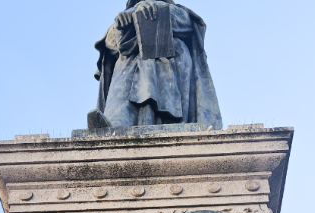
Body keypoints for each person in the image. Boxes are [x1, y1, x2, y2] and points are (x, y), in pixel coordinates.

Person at [89, 0, 222, 129]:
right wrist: (123, 25)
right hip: (130, 64)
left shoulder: (179, 11)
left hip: (171, 60)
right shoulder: (123, 16)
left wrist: (157, 10)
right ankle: (112, 126)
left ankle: (174, 125)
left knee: (169, 94)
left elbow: (189, 25)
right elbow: (110, 45)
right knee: (122, 81)